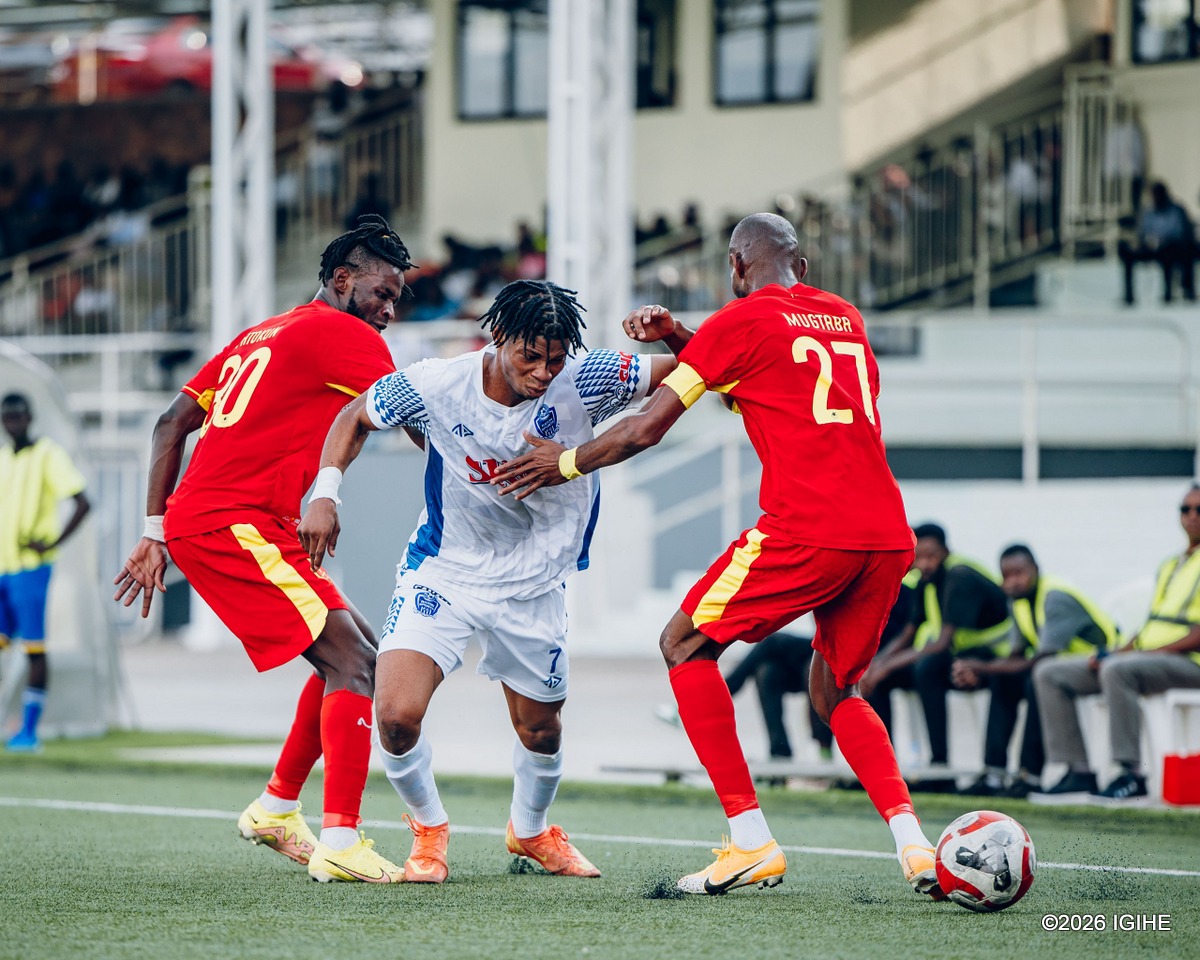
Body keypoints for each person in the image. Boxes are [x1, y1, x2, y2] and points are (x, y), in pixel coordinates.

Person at [491, 213, 944, 899]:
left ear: (736, 266)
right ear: (800, 265)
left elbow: (646, 428)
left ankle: (750, 840)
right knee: (837, 692)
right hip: (884, 535)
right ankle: (915, 846)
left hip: (807, 528)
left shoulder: (740, 321)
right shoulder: (845, 319)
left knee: (683, 643)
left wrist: (568, 462)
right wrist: (680, 337)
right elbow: (763, 384)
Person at [298, 280, 683, 885]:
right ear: (498, 337)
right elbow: (355, 415)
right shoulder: (437, 382)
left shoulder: (585, 379)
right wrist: (325, 493)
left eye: (554, 359)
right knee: (395, 716)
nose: (543, 372)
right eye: (530, 356)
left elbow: (701, 365)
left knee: (541, 729)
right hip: (445, 567)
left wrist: (674, 334)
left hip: (535, 580)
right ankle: (429, 830)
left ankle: (531, 830)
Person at [112, 215, 413, 882]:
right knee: (356, 665)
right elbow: (410, 414)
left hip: (236, 521)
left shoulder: (261, 334)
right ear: (342, 280)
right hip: (233, 522)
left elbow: (171, 423)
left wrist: (155, 530)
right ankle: (341, 841)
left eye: (396, 300)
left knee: (359, 655)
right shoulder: (345, 334)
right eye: (382, 293)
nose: (389, 311)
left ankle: (277, 806)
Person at [1033, 486, 1200, 801]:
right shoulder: (1171, 564)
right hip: (1147, 659)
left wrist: (1141, 656)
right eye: (1185, 509)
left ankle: (1130, 774)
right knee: (1049, 673)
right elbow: (1152, 624)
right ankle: (1079, 771)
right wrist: (1112, 653)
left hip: (1189, 663)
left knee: (1117, 671)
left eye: (1199, 510)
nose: (1192, 516)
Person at [952, 544, 1118, 799]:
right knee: (1004, 680)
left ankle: (1030, 776)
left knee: (1035, 680)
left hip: (1096, 665)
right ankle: (994, 773)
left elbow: (1041, 659)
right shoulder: (1018, 602)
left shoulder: (1054, 598)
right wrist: (986, 672)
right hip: (1057, 669)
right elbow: (1016, 656)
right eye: (1006, 576)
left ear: (1036, 570)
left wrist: (980, 667)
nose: (1012, 582)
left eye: (1019, 573)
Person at [861, 523, 1010, 792]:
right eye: (918, 557)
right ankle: (885, 772)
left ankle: (940, 768)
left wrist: (886, 666)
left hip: (995, 657)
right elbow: (908, 633)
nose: (925, 564)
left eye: (932, 556)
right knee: (879, 679)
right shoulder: (926, 581)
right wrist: (875, 667)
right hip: (959, 656)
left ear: (946, 551)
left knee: (926, 669)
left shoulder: (959, 576)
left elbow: (942, 644)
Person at [0, 393, 91, 752]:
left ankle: (29, 731)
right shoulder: (4, 457)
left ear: (30, 417)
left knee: (34, 648)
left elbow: (82, 502)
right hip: (3, 568)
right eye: (7, 417)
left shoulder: (46, 454)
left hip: (31, 569)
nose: (13, 422)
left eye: (18, 416)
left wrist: (52, 543)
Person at [654, 629, 835, 764]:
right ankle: (780, 753)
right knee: (767, 673)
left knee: (772, 642)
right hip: (818, 647)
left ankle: (702, 705)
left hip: (835, 648)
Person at [1117, 181, 1196, 306]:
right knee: (1127, 253)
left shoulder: (1176, 211)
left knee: (1170, 252)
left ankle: (1169, 294)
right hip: (1151, 247)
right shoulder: (1148, 211)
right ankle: (1129, 296)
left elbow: (1179, 233)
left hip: (1172, 247)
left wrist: (1162, 241)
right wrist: (1143, 242)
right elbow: (1142, 232)